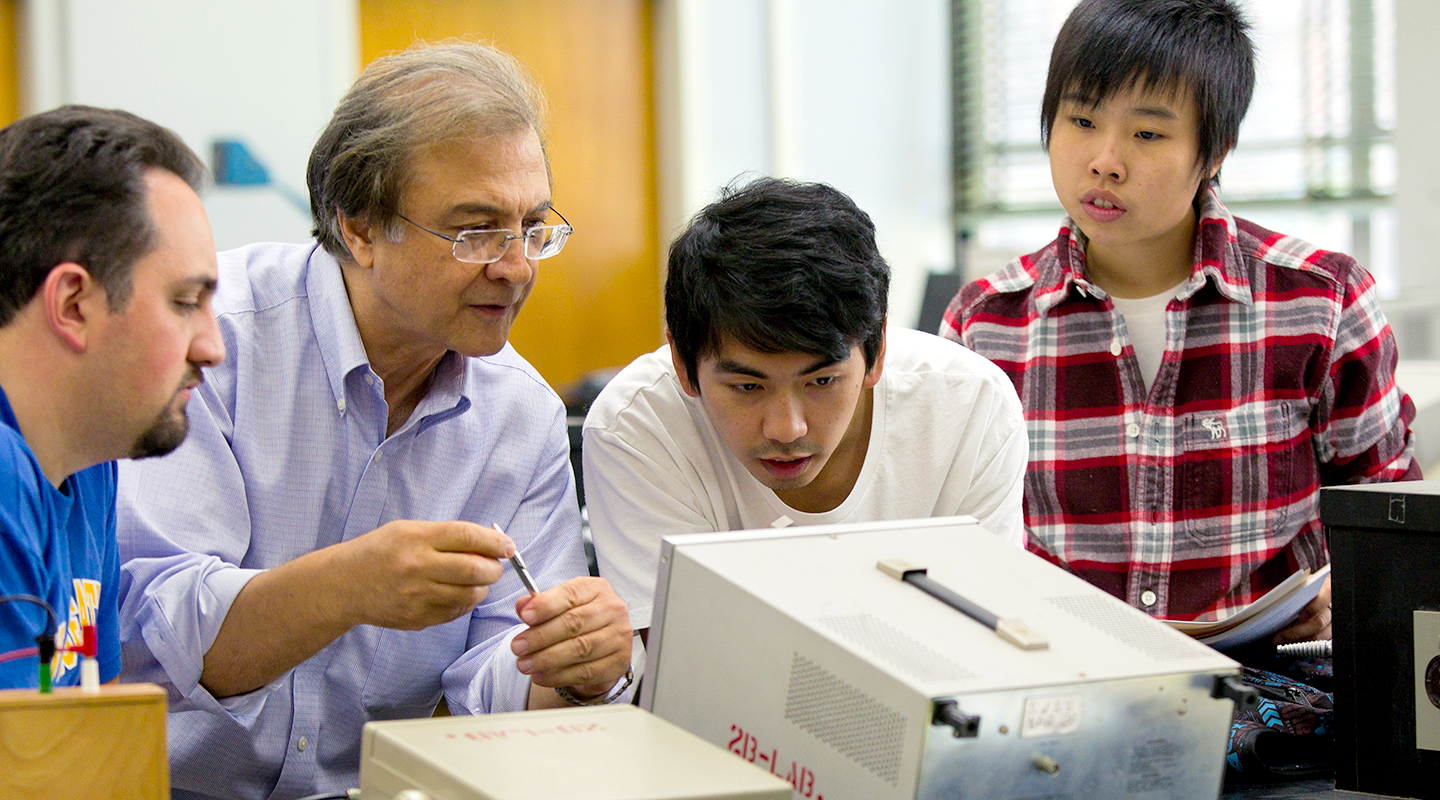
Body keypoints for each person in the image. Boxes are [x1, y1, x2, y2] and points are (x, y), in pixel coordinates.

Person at [117, 42, 634, 799]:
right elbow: (163, 632)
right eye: (477, 230)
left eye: (532, 227)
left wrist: (575, 663)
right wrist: (350, 585)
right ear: (358, 229)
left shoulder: (520, 415)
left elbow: (493, 690)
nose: (517, 267)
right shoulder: (211, 338)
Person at [944, 0, 1419, 642]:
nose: (1105, 160)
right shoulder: (985, 326)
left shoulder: (1321, 301)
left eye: (1147, 134)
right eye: (1081, 120)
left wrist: (1341, 592)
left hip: (1276, 695)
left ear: (1214, 150)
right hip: (1067, 691)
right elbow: (957, 543)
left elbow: (1389, 515)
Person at [583, 177, 1028, 634]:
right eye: (746, 388)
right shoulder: (637, 426)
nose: (787, 428)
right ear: (683, 365)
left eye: (821, 381)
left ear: (875, 351)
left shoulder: (970, 408)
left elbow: (985, 641)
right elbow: (688, 669)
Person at [0, 106, 222, 688]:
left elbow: (94, 730)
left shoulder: (89, 463)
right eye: (183, 303)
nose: (213, 347)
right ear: (73, 304)